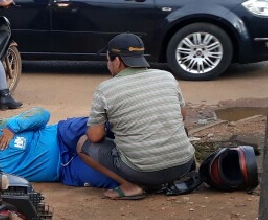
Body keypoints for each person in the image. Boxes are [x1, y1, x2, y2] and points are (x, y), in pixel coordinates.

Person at [77, 33, 195, 201]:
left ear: (117, 61)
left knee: (83, 144)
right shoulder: (166, 77)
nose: (108, 65)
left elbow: (95, 137)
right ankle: (169, 177)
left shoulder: (105, 89)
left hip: (143, 172)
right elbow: (182, 116)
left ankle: (130, 186)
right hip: (183, 166)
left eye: (108, 60)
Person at [0, 107, 115, 188]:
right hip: (64, 168)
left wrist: (12, 127)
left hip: (61, 134)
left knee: (97, 126)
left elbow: (43, 114)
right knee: (108, 177)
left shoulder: (5, 126)